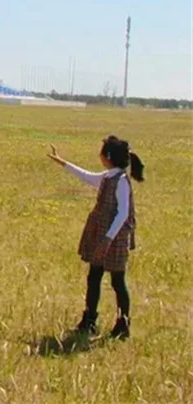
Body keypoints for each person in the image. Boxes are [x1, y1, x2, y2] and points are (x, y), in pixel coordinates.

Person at [48, 135, 144, 340]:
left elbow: (123, 213)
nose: (99, 154)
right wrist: (61, 161)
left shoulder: (121, 181)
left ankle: (123, 325)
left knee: (118, 281)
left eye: (101, 151)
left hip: (114, 237)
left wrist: (108, 240)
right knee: (94, 277)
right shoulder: (108, 176)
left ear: (107, 156)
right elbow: (86, 176)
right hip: (102, 233)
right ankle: (89, 320)